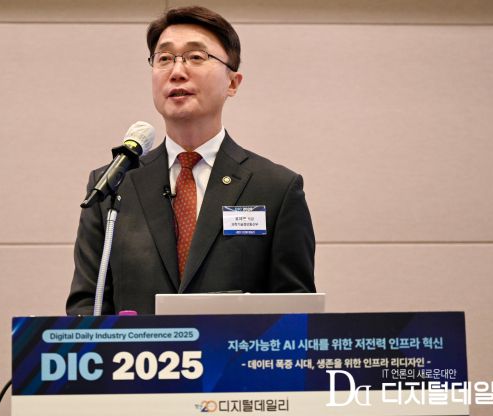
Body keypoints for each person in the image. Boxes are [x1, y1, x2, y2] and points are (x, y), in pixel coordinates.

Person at [66, 6, 315, 315]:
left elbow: (296, 313)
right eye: (164, 58)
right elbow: (86, 307)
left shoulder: (276, 188)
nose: (177, 71)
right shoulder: (113, 185)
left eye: (196, 57)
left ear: (233, 83)